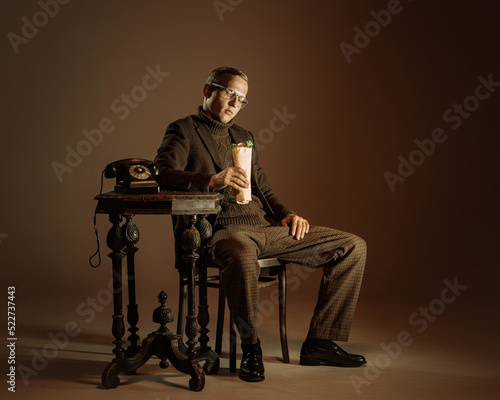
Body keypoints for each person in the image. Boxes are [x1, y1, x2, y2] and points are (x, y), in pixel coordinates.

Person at [154, 66, 367, 382]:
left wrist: (287, 215)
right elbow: (163, 173)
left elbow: (263, 189)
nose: (234, 103)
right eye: (229, 93)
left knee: (352, 246)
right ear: (207, 90)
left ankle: (320, 342)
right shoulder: (183, 130)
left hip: (264, 229)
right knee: (241, 257)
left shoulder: (244, 137)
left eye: (241, 99)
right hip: (222, 230)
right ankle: (250, 348)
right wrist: (211, 180)